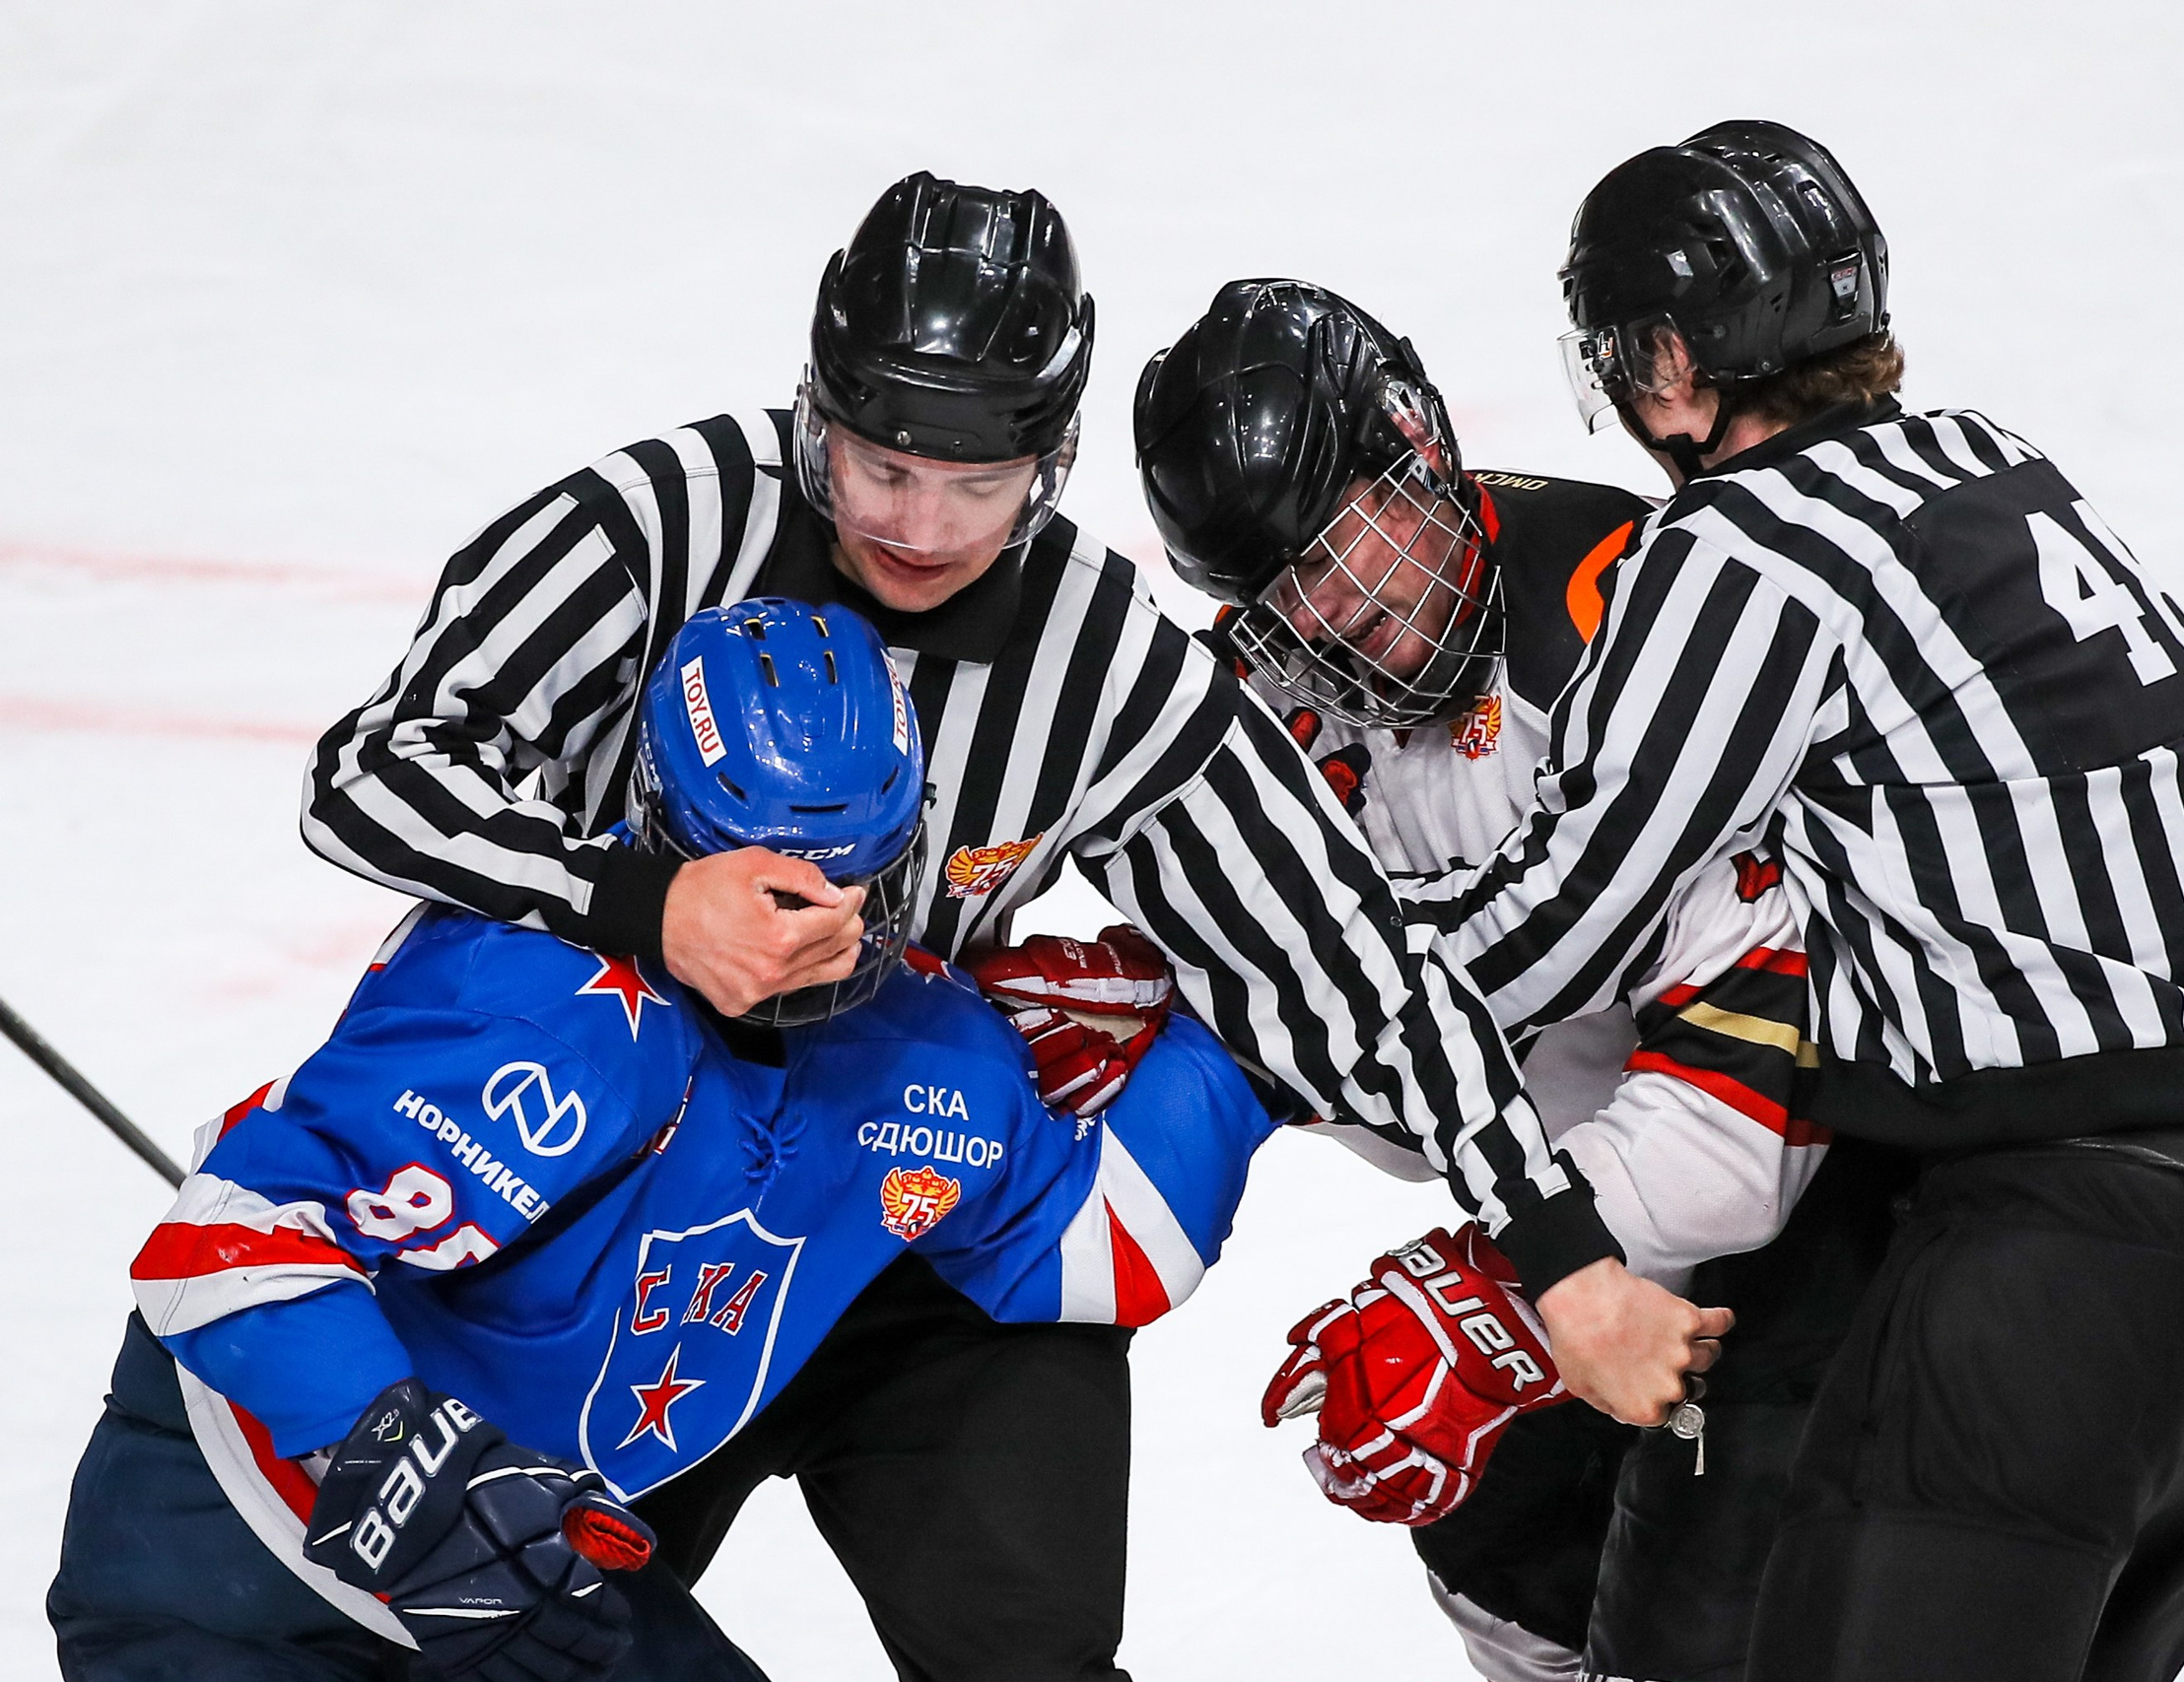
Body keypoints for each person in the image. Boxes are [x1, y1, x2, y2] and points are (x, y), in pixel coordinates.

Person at [297, 172, 1714, 1448]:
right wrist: (639, 903)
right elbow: (370, 771)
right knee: (542, 1609)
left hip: (905, 1170)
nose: (919, 525)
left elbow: (1341, 965)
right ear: (818, 408)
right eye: (881, 467)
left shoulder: (1103, 656)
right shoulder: (659, 519)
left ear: (1052, 460)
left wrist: (1560, 1250)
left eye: (978, 484)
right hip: (584, 1165)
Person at [1396, 119, 2184, 1680]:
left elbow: (1563, 923)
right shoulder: (1997, 468)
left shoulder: (1753, 538)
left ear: (1670, 355)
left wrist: (1260, 994)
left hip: (2054, 1270)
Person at [50, 599, 1279, 1682]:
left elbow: (1108, 1240)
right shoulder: (537, 1010)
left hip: (524, 1583)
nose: (818, 935)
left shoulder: (931, 1052)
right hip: (228, 1558)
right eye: (778, 888)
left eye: (862, 879)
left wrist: (1226, 1019)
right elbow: (225, 1236)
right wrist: (402, 1465)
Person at [1134, 278, 1912, 1682]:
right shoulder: (1268, 720)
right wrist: (1216, 1024)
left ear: (1423, 450)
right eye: (1285, 587)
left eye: (1353, 537)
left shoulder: (1635, 621)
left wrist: (1496, 1290)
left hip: (1849, 1200)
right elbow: (1411, 1085)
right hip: (1589, 1222)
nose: (1342, 610)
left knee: (1731, 1598)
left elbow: (1756, 1103)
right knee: (1503, 1538)